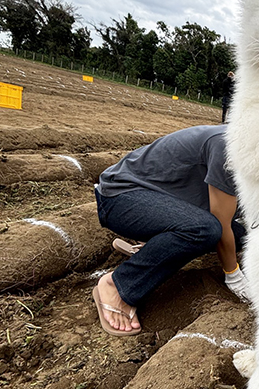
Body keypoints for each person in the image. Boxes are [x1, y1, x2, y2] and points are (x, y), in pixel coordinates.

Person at [92, 124, 248, 336]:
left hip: (160, 197)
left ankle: (156, 248)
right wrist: (234, 276)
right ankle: (118, 285)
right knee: (207, 230)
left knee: (241, 237)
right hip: (120, 195)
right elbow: (221, 224)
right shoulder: (229, 146)